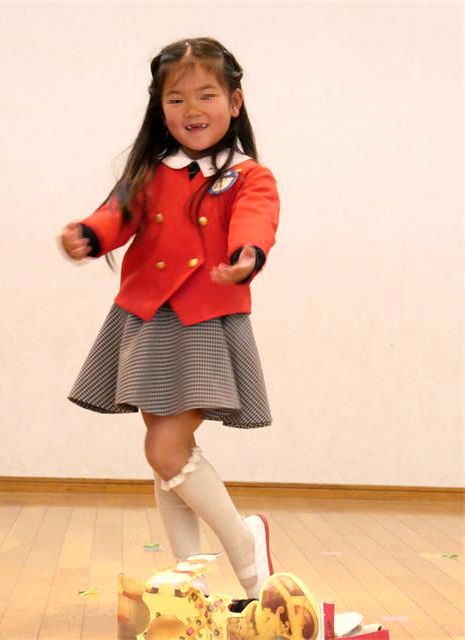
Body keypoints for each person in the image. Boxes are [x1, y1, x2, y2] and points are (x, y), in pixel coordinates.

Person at [59, 36, 279, 602]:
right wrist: (88, 234)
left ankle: (248, 550)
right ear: (160, 108)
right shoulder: (151, 171)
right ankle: (191, 584)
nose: (191, 109)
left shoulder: (249, 175)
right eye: (176, 99)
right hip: (146, 319)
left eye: (206, 95)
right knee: (164, 453)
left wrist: (247, 255)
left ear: (234, 102)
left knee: (165, 449)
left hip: (205, 322)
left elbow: (256, 219)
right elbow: (116, 214)